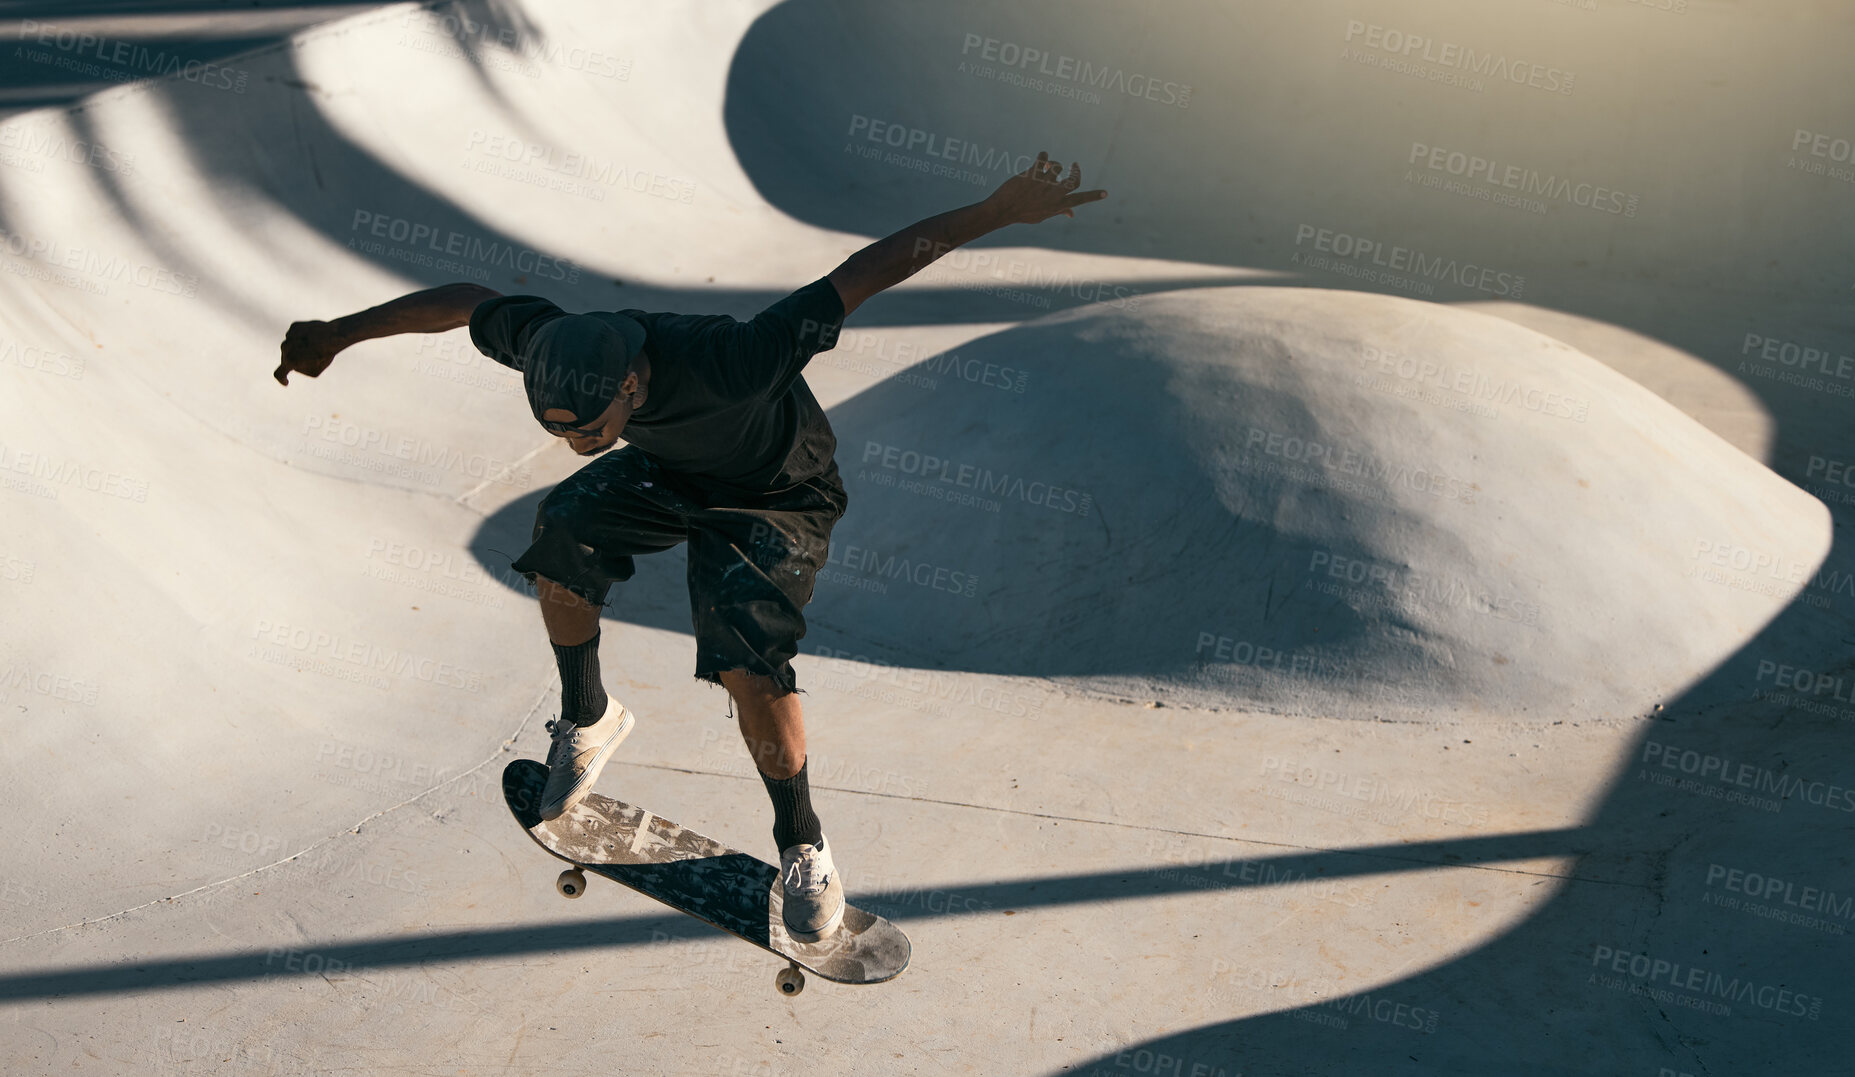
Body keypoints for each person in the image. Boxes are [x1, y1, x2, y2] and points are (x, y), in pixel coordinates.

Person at [275, 151, 1106, 939]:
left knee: (746, 664)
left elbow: (865, 272)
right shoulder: (556, 345)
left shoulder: (739, 357)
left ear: (631, 384)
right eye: (555, 428)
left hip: (777, 499)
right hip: (673, 474)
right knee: (562, 528)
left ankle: (804, 847)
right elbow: (462, 300)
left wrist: (997, 210)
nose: (573, 439)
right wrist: (336, 333)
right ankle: (588, 716)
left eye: (589, 427)